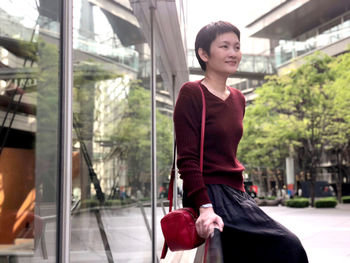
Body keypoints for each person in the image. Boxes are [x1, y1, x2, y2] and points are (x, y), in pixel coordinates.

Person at [173, 21, 308, 262]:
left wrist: (243, 194)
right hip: (210, 193)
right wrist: (204, 207)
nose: (233, 53)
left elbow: (230, 154)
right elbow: (187, 159)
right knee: (288, 246)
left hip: (237, 193)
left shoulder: (238, 99)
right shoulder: (192, 92)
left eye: (237, 47)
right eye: (224, 46)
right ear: (204, 54)